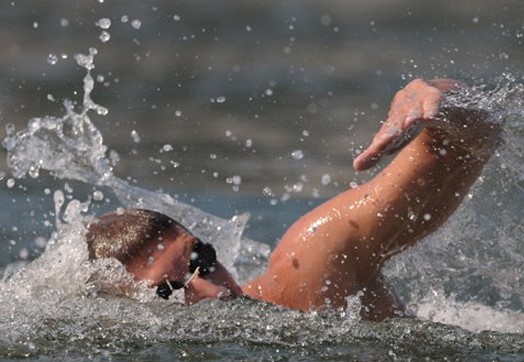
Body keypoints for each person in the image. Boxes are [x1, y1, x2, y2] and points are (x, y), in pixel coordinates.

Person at [86, 78, 500, 321]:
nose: (214, 290)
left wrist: (435, 99)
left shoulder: (309, 272)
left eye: (201, 260)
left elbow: (474, 138)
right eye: (171, 292)